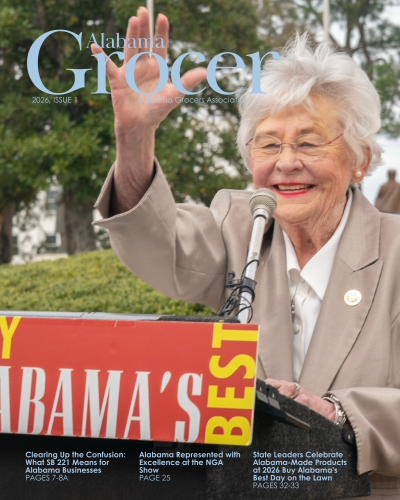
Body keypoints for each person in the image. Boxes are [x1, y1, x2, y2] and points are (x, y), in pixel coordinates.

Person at [93, 7, 400, 498]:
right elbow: (159, 244)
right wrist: (135, 140)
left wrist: (342, 415)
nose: (287, 163)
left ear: (360, 160)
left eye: (309, 141)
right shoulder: (242, 223)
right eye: (268, 144)